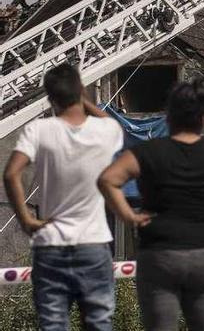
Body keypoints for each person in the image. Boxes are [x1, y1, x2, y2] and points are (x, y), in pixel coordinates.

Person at [98, 78, 204, 331]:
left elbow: (107, 180)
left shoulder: (148, 152)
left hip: (159, 253)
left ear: (168, 117)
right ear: (203, 119)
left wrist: (128, 216)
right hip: (203, 252)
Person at [3, 63, 123, 331]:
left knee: (54, 323)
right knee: (98, 323)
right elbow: (107, 121)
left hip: (51, 245)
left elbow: (11, 174)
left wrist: (25, 219)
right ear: (80, 91)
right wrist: (81, 97)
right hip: (93, 244)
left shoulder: (40, 131)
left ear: (50, 98)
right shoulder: (107, 132)